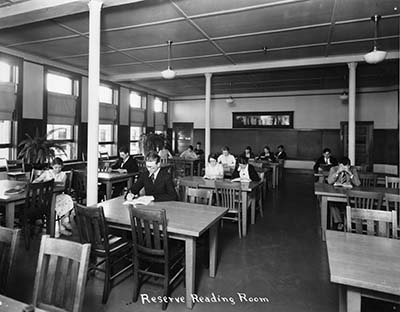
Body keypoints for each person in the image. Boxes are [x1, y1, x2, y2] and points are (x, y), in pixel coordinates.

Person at [34, 157, 71, 237]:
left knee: (67, 198)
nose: (57, 169)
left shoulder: (63, 175)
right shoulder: (47, 173)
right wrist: (35, 184)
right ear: (52, 166)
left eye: (59, 167)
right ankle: (62, 227)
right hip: (45, 197)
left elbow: (63, 186)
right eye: (55, 167)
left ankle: (65, 221)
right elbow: (37, 180)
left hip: (57, 195)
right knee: (58, 203)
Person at [327, 156, 361, 230]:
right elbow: (329, 181)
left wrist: (350, 173)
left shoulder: (353, 169)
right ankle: (340, 222)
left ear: (349, 165)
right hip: (336, 193)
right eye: (342, 166)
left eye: (346, 166)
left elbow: (358, 183)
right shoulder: (333, 169)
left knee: (349, 204)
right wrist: (337, 173)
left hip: (349, 195)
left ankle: (348, 221)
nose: (344, 168)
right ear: (339, 165)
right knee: (332, 204)